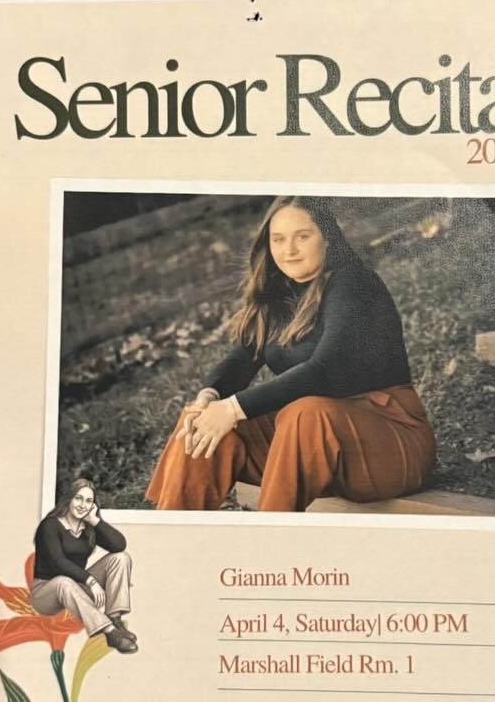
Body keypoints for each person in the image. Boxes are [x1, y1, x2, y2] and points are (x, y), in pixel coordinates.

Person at [146, 198, 437, 512]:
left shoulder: (353, 282)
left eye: (302, 236)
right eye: (279, 240)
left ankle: (272, 539)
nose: (290, 250)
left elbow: (327, 369)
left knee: (306, 412)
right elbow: (242, 359)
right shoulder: (277, 294)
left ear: (327, 239)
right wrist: (209, 396)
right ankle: (176, 530)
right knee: (200, 419)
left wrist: (233, 407)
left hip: (389, 444)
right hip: (314, 447)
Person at [29, 478, 137, 654]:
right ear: (69, 499)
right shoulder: (50, 525)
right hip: (46, 593)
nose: (82, 505)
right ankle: (110, 633)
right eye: (78, 498)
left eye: (88, 501)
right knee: (63, 581)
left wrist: (94, 521)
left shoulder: (88, 527)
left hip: (77, 588)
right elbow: (58, 562)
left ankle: (115, 618)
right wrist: (91, 581)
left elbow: (119, 545)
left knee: (121, 558)